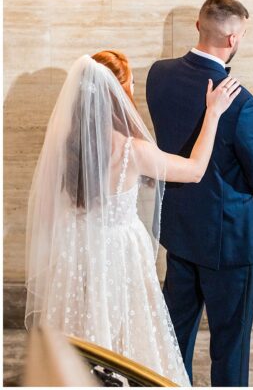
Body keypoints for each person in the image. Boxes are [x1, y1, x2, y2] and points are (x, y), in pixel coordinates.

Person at [25, 50, 241, 386]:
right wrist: (212, 114)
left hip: (76, 250)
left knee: (81, 337)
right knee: (125, 340)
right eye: (130, 83)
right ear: (118, 95)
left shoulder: (66, 146)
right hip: (119, 254)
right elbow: (196, 170)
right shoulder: (132, 150)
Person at [146, 0, 253, 388]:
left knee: (176, 335)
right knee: (230, 344)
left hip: (180, 229)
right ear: (233, 37)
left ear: (198, 26)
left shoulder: (158, 75)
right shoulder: (241, 102)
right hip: (229, 240)